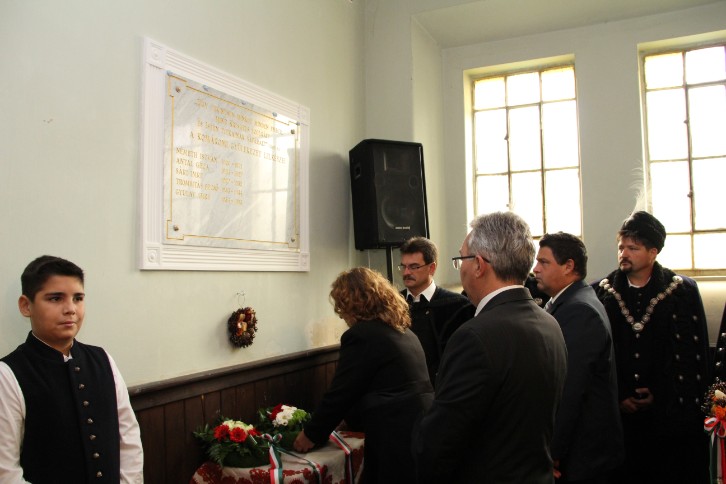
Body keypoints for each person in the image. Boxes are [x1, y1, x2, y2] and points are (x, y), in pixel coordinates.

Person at [413, 211, 567, 483]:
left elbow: (438, 442)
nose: (460, 268)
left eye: (461, 259)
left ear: (479, 265)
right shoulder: (549, 322)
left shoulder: (475, 336)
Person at [0, 255, 143, 483]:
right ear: (26, 306)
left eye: (78, 298)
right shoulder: (8, 374)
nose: (70, 309)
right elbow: (6, 471)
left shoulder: (102, 359)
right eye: (55, 298)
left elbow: (128, 437)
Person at [592, 211, 710, 484]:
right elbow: (598, 355)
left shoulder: (682, 291)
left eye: (633, 248)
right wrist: (620, 394)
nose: (624, 254)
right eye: (621, 247)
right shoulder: (601, 292)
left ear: (653, 252)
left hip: (668, 422)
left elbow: (692, 356)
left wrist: (663, 393)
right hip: (619, 421)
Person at [293, 267, 433, 483]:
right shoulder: (404, 332)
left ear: (353, 303)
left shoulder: (361, 335)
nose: (341, 314)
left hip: (395, 437)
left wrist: (310, 434)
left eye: (342, 306)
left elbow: (341, 393)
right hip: (421, 430)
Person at [534, 232, 624, 483]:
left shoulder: (579, 310)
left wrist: (552, 451)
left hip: (583, 454)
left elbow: (569, 388)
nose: (536, 269)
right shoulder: (569, 301)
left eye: (544, 262)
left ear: (568, 266)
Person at [398, 236, 474, 386]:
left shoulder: (458, 305)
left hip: (446, 386)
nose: (406, 272)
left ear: (431, 268)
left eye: (413, 267)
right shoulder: (393, 304)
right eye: (403, 266)